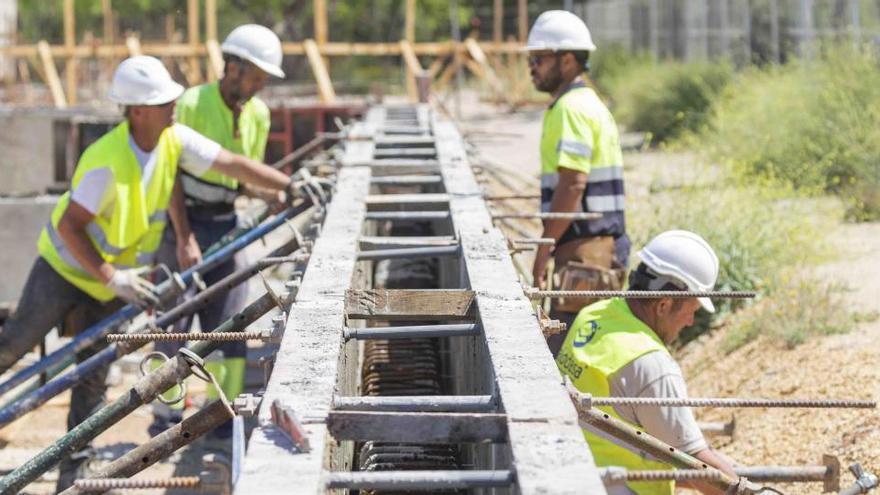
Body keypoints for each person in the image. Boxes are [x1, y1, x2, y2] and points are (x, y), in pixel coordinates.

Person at [0, 55, 294, 491]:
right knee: (13, 348)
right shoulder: (107, 159)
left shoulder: (171, 139)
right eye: (163, 101)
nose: (174, 104)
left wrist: (287, 185)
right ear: (137, 111)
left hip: (110, 279)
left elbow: (228, 162)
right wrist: (111, 278)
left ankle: (73, 471)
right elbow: (69, 226)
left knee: (92, 376)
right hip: (65, 271)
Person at [149, 24, 285, 441]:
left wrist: (266, 192)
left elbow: (240, 175)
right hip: (183, 221)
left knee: (230, 319)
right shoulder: (191, 103)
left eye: (264, 79)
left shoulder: (258, 113)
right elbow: (170, 172)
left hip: (225, 221)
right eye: (256, 76)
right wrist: (184, 234)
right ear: (232, 66)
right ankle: (165, 417)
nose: (260, 86)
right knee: (174, 321)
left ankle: (218, 411)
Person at [556, 230, 737, 495]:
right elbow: (700, 470)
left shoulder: (593, 314)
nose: (689, 322)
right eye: (691, 311)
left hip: (567, 471)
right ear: (663, 305)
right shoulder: (650, 364)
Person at [525, 10, 630, 356]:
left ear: (567, 59)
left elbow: (572, 186)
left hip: (588, 252)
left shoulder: (572, 108)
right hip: (594, 246)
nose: (532, 67)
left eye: (539, 58)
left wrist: (543, 250)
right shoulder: (584, 103)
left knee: (569, 353)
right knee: (581, 349)